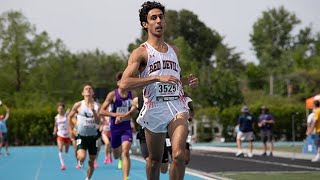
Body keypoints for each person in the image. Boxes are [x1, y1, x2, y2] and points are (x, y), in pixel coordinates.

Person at [119, 1, 198, 179]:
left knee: (178, 155)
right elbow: (124, 83)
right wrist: (155, 78)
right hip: (154, 109)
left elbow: (173, 79)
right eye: (153, 18)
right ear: (145, 24)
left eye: (161, 17)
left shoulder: (174, 50)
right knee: (154, 161)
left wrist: (186, 81)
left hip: (177, 105)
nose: (158, 21)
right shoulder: (140, 53)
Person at [99, 71, 134, 180]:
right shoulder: (113, 95)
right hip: (115, 128)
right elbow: (101, 111)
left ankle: (126, 178)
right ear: (118, 83)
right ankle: (117, 156)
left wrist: (130, 114)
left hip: (126, 127)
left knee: (126, 152)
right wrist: (116, 115)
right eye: (122, 81)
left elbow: (135, 109)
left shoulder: (132, 94)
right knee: (116, 154)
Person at [68, 82, 101, 180]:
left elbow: (98, 121)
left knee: (91, 161)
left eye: (90, 89)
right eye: (86, 89)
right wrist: (70, 130)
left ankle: (88, 178)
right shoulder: (78, 105)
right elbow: (69, 116)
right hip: (81, 135)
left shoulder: (97, 105)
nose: (88, 90)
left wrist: (94, 111)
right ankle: (80, 160)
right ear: (83, 93)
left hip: (93, 136)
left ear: (93, 92)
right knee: (82, 157)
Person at [132, 94, 169, 174]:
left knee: (164, 169)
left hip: (160, 134)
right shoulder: (137, 100)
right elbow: (131, 114)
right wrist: (122, 117)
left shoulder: (162, 96)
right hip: (144, 135)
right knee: (150, 160)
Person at [52, 102, 71, 170]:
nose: (60, 110)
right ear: (57, 109)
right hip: (60, 135)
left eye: (61, 109)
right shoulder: (56, 117)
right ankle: (63, 165)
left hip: (67, 135)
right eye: (59, 109)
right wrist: (54, 131)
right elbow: (55, 125)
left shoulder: (67, 115)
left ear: (63, 109)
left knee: (66, 150)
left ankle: (65, 151)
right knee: (60, 148)